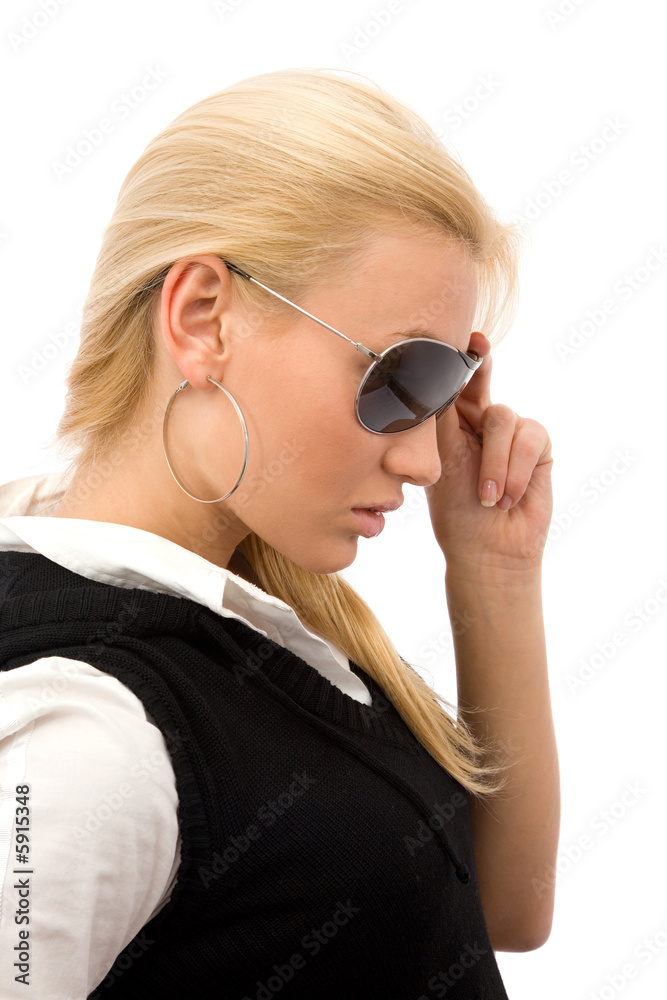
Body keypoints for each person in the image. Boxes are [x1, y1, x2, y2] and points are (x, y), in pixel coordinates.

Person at [0, 68, 559, 998]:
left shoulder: (243, 626)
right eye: (401, 378)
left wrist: (494, 571)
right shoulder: (91, 728)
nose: (425, 460)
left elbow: (504, 908)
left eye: (447, 388)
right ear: (201, 319)